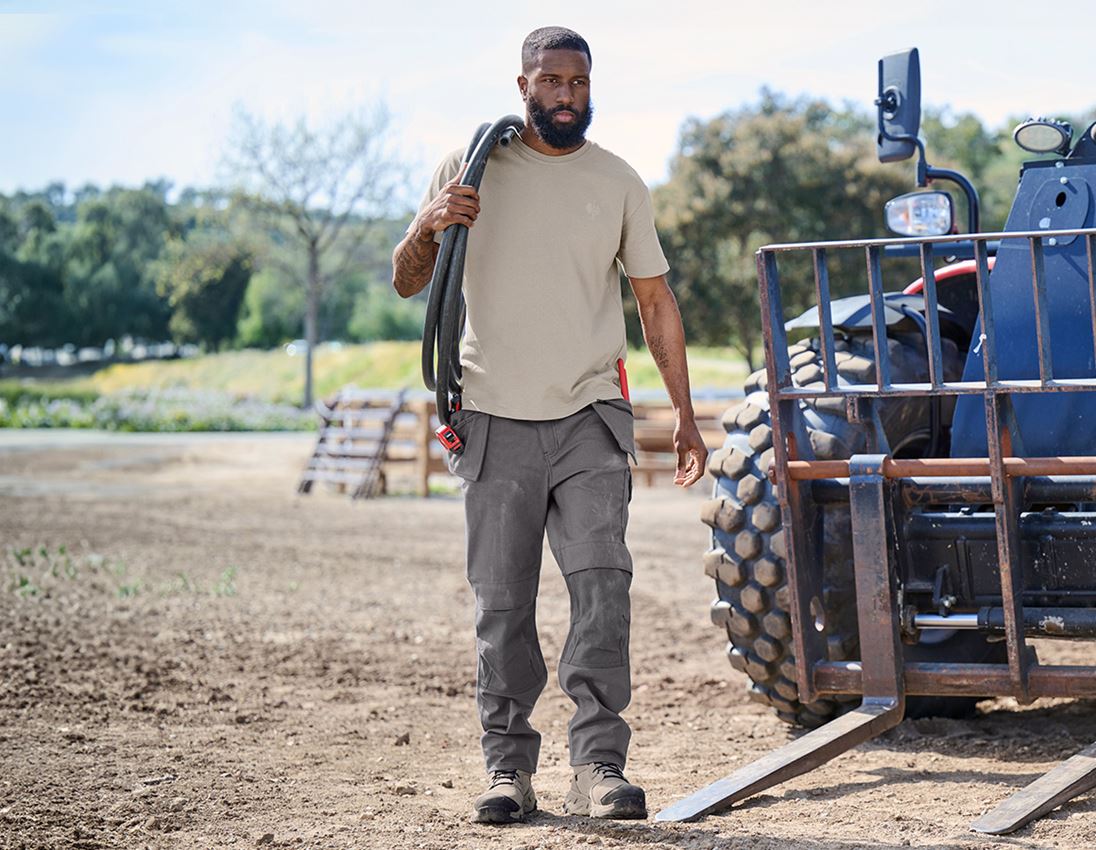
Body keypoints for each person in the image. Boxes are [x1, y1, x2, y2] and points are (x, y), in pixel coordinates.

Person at [391, 25, 706, 824]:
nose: (568, 95)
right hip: (493, 415)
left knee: (604, 589)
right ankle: (508, 770)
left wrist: (689, 419)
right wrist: (428, 223)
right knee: (503, 606)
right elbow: (406, 284)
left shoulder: (619, 181)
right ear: (523, 85)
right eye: (552, 81)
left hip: (590, 415)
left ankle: (599, 764)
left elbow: (656, 304)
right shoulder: (470, 172)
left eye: (579, 82)